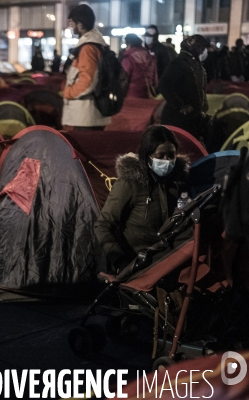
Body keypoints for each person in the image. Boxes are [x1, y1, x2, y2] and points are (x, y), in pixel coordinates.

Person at [95, 125, 190, 272]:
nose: (167, 161)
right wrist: (120, 260)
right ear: (147, 156)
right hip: (138, 260)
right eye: (160, 156)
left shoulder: (178, 182)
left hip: (170, 258)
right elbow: (103, 224)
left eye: (171, 155)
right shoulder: (131, 183)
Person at [62, 4, 111, 130]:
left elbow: (87, 82)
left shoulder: (87, 48)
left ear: (80, 24)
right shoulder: (96, 44)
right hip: (90, 113)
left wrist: (68, 92)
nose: (70, 27)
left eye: (72, 23)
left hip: (86, 115)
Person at [159, 35, 209, 140]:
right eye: (204, 48)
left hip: (193, 118)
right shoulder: (179, 63)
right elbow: (164, 85)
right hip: (179, 119)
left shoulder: (195, 63)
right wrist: (180, 105)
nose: (206, 51)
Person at [120, 33, 157, 98]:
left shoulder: (128, 59)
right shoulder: (150, 57)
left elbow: (123, 80)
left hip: (131, 95)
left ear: (129, 44)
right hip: (148, 95)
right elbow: (155, 80)